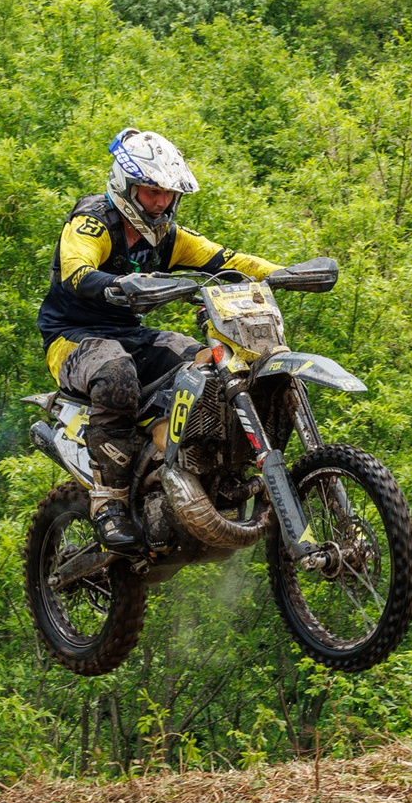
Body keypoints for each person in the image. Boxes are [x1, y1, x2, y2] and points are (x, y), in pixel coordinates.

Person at [38, 129, 278, 552]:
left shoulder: (167, 236)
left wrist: (284, 273)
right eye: (152, 191)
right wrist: (118, 284)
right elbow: (77, 270)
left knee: (212, 364)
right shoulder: (92, 223)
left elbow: (226, 260)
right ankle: (108, 502)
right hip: (73, 339)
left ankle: (200, 469)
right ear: (126, 186)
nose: (162, 202)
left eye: (168, 193)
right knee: (116, 373)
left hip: (131, 336)